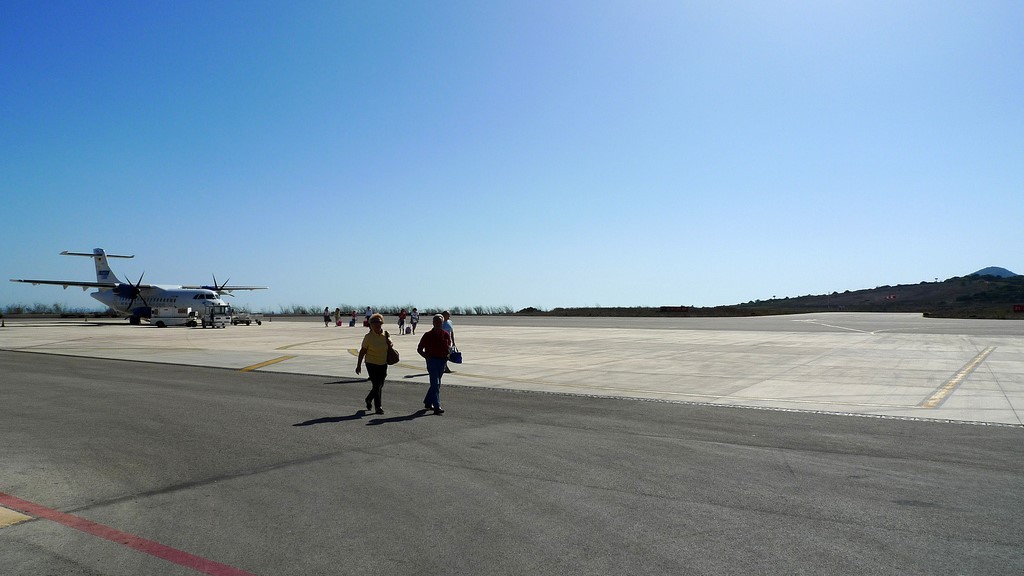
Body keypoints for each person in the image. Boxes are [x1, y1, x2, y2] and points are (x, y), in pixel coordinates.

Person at [356, 313, 392, 414]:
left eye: (379, 322)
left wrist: (390, 343)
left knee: (380, 385)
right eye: (374, 323)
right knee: (377, 385)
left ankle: (369, 399)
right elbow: (362, 351)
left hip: (383, 363)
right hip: (371, 363)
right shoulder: (368, 337)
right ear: (371, 325)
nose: (377, 324)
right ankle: (378, 407)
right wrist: (358, 365)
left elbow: (390, 344)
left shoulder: (386, 334)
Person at [417, 314, 451, 415]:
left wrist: (448, 355)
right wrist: (427, 357)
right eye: (436, 322)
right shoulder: (427, 335)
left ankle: (428, 402)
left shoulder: (445, 334)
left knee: (436, 384)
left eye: (440, 322)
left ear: (442, 323)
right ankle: (437, 406)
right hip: (432, 361)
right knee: (435, 383)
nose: (438, 324)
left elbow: (448, 347)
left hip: (442, 362)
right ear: (433, 323)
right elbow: (419, 349)